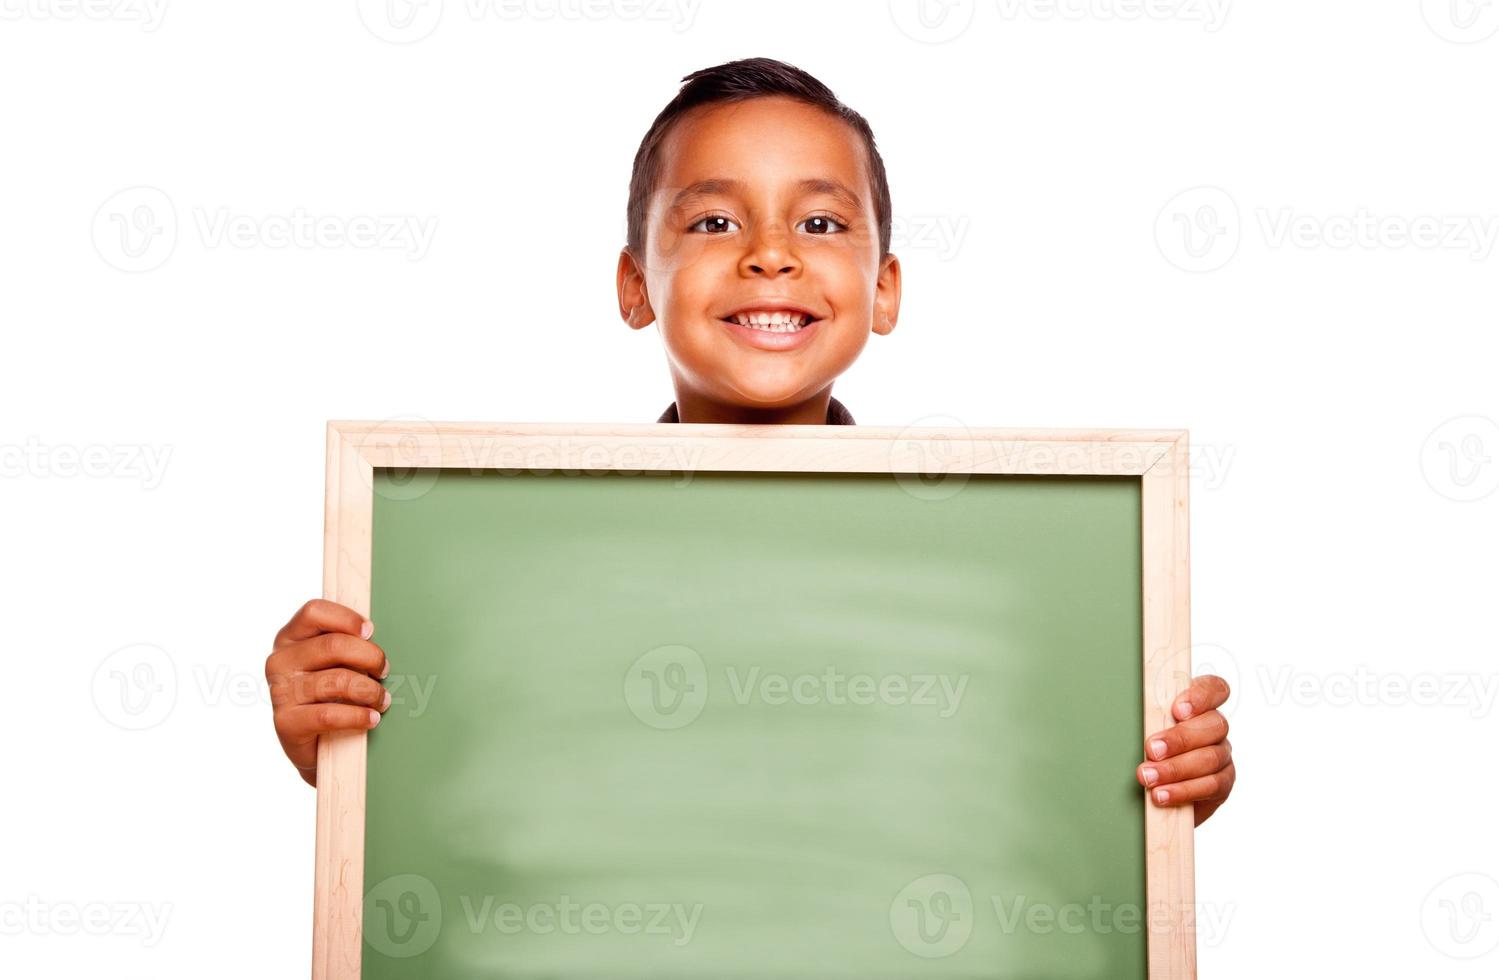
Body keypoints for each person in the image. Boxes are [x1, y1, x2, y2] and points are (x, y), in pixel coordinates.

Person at [265, 57, 1235, 826]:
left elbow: (1030, 794)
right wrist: (350, 753)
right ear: (634, 284)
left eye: (817, 221)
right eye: (715, 219)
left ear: (884, 288)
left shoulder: (1003, 567)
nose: (769, 253)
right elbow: (490, 797)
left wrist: (1162, 779)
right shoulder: (515, 566)